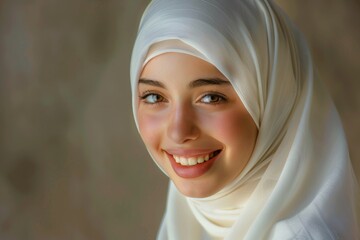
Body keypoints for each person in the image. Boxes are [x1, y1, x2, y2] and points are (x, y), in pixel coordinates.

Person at [130, 0, 360, 239]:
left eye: (210, 98)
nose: (178, 132)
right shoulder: (194, 217)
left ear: (273, 100)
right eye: (154, 96)